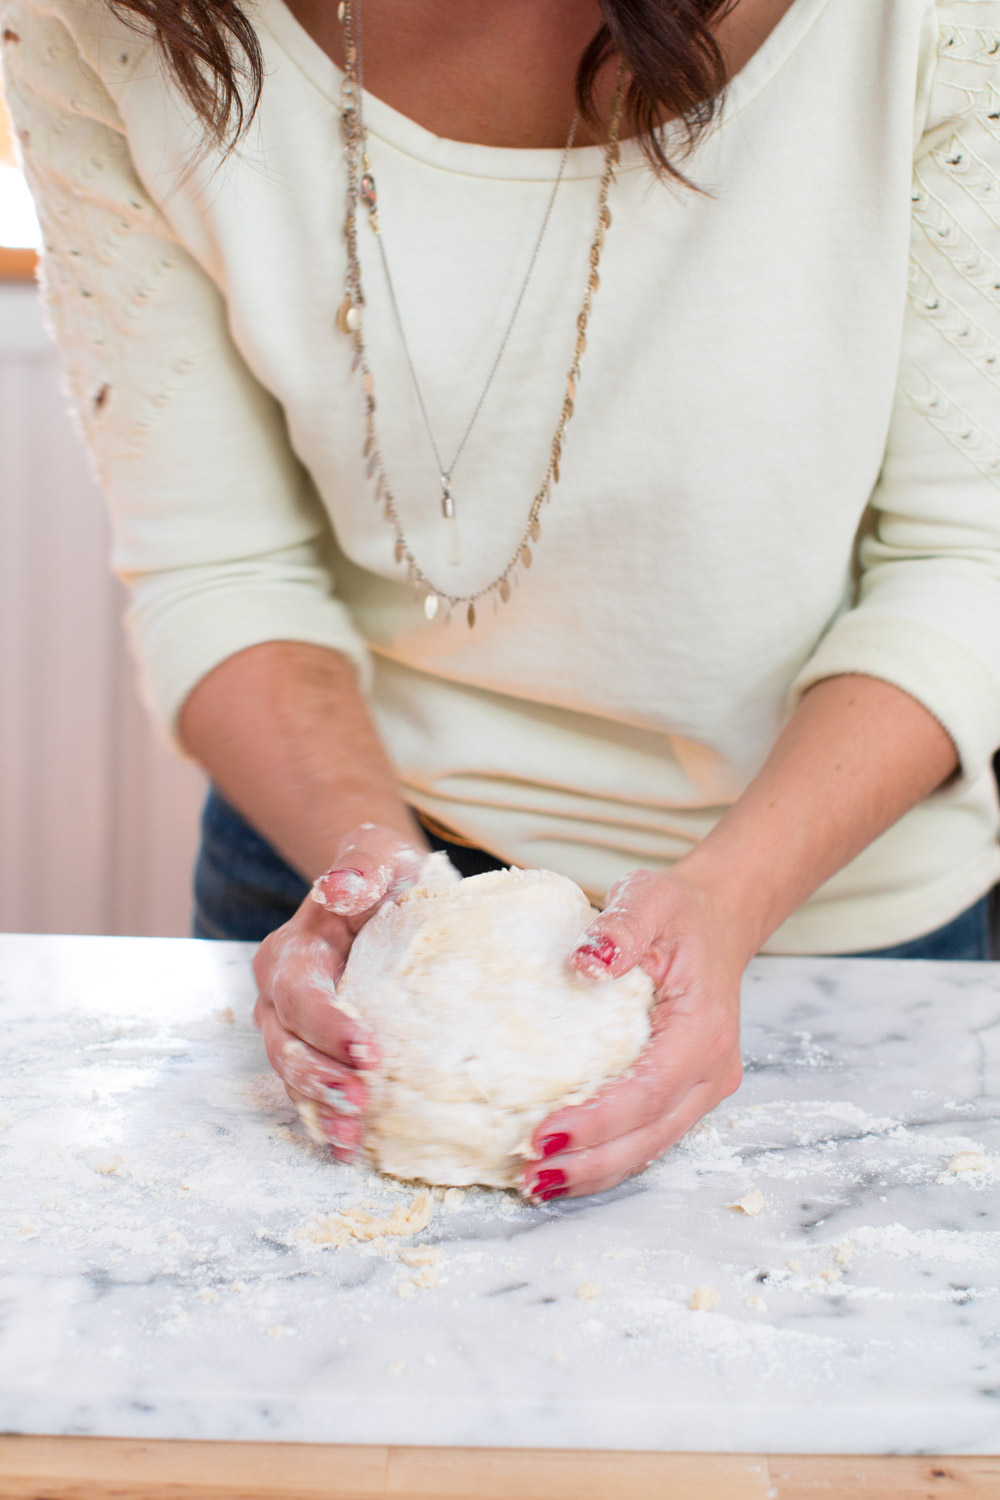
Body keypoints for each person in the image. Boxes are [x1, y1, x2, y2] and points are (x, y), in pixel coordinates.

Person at [3, 0, 1000, 1203]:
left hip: (825, 906)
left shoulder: (932, 24)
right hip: (343, 888)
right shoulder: (103, 23)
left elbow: (966, 556)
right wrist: (391, 907)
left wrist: (726, 905)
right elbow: (219, 568)